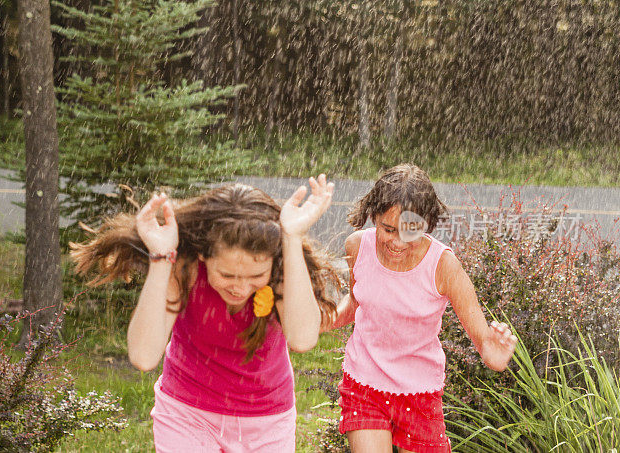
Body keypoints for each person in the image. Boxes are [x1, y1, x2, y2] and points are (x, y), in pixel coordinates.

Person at [70, 176, 338, 452]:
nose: (241, 287)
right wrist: (161, 257)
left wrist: (291, 238)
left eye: (255, 276)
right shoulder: (184, 269)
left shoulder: (281, 271)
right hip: (186, 415)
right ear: (202, 255)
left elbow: (303, 339)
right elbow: (143, 355)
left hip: (266, 420)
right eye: (227, 275)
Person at [327, 164, 518, 453]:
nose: (397, 242)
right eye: (388, 229)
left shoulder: (443, 265)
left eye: (410, 231)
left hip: (420, 394)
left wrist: (493, 352)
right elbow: (357, 301)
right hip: (364, 383)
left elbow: (482, 338)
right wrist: (323, 319)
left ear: (426, 223)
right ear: (373, 215)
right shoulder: (357, 247)